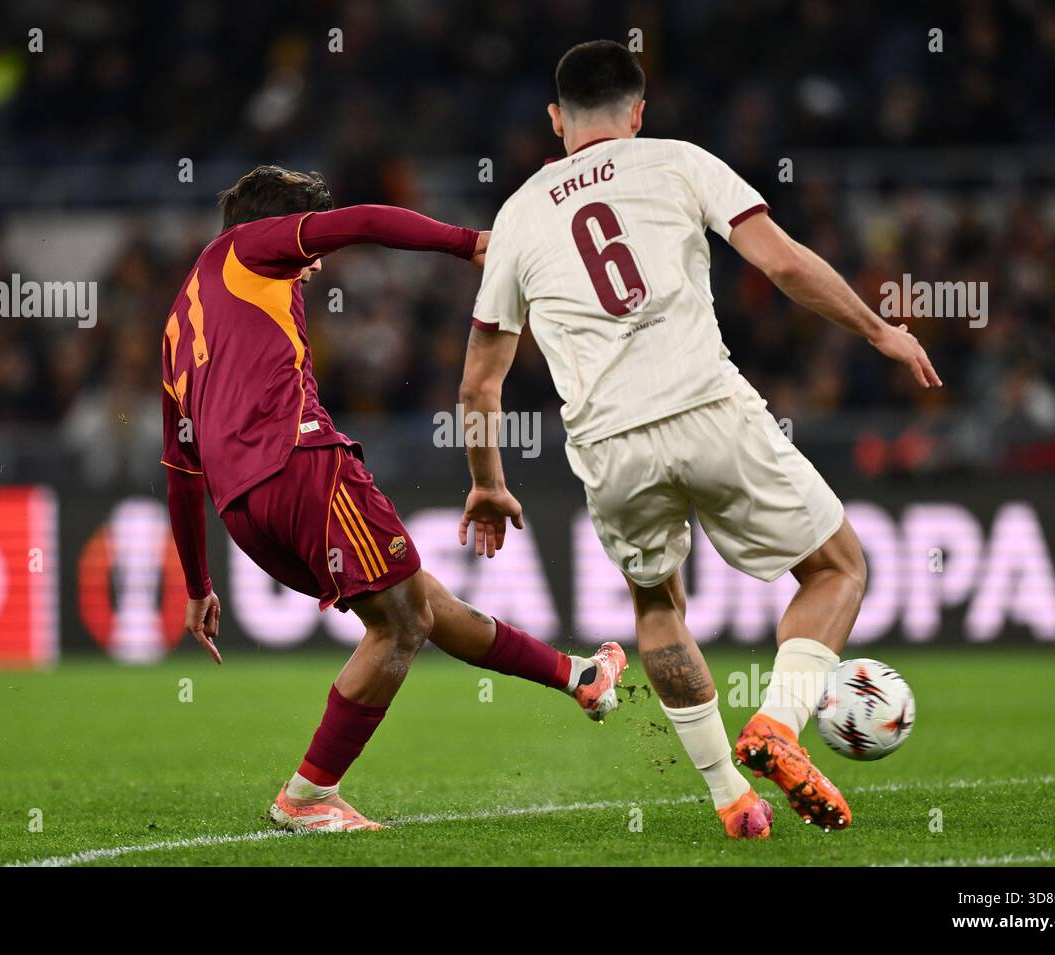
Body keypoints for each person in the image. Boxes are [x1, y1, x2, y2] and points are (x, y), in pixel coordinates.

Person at [458, 41, 941, 839]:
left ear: (556, 120)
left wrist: (486, 479)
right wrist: (879, 331)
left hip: (609, 446)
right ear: (638, 113)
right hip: (707, 406)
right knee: (837, 567)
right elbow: (782, 265)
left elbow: (480, 384)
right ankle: (778, 726)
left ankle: (731, 800)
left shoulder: (515, 216)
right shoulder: (679, 160)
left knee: (656, 605)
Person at [162, 165, 627, 833]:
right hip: (298, 462)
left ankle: (576, 675)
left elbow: (180, 465)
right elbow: (366, 222)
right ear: (274, 228)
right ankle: (308, 796)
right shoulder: (251, 247)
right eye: (310, 252)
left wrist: (199, 582)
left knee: (419, 602)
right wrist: (469, 242)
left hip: (243, 512)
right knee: (402, 624)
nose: (315, 266)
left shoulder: (179, 323)